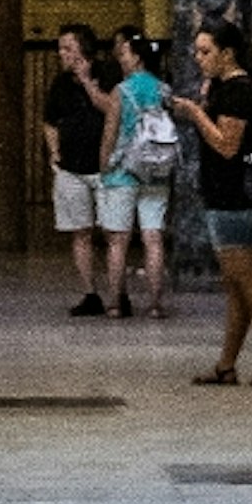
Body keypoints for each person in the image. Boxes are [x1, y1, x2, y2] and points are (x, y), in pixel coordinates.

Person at [175, 12, 252, 384]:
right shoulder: (227, 89)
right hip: (226, 195)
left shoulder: (239, 91)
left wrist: (196, 114)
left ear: (227, 53)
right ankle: (227, 364)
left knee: (246, 281)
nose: (199, 58)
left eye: (205, 51)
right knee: (237, 283)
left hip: (234, 198)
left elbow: (228, 146)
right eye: (196, 52)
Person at [43, 22, 120, 310]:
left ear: (84, 49)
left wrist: (88, 81)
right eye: (60, 48)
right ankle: (90, 292)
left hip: (106, 166)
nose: (61, 54)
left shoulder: (108, 74)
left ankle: (116, 292)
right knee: (80, 230)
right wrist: (55, 152)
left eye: (67, 48)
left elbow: (110, 109)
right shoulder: (60, 84)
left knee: (114, 230)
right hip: (71, 166)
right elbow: (50, 120)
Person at [106, 31, 178, 317]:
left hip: (124, 170)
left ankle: (114, 303)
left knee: (118, 239)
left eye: (124, 53)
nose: (120, 58)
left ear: (136, 57)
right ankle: (156, 304)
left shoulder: (121, 91)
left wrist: (104, 166)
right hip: (157, 169)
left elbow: (110, 132)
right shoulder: (163, 89)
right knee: (153, 237)